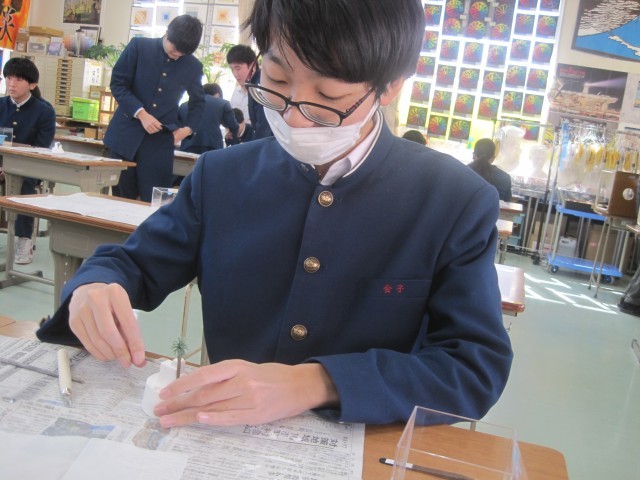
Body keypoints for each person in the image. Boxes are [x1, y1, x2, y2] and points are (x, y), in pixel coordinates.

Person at [38, 0, 512, 428]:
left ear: (390, 86)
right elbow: (134, 263)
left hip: (365, 449)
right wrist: (93, 287)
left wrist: (318, 382)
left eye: (329, 97)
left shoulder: (452, 200)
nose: (295, 117)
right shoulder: (222, 176)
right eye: (278, 81)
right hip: (222, 438)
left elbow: (473, 367)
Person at [104, 14, 205, 202]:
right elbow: (118, 84)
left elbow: (198, 102)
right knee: (121, 200)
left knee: (156, 202)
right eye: (174, 49)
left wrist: (187, 129)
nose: (177, 55)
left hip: (159, 144)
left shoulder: (193, 66)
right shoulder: (139, 47)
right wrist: (141, 113)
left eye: (183, 53)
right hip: (125, 137)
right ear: (167, 34)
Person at [0, 57, 56, 264]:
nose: (12, 84)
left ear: (32, 85)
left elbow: (41, 149)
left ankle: (24, 239)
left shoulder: (44, 111)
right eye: (8, 78)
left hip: (29, 167)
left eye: (18, 79)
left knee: (24, 187)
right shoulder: (1, 105)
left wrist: (10, 168)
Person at [226, 44, 273, 140]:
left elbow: (264, 129)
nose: (235, 74)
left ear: (253, 66)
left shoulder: (260, 87)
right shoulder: (251, 85)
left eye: (238, 68)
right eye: (232, 69)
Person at [178, 83, 239, 154]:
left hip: (187, 146)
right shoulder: (223, 104)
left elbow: (177, 127)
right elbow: (234, 126)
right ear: (217, 94)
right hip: (212, 147)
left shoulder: (183, 106)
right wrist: (230, 139)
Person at [468, 138, 512, 202]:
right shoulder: (505, 178)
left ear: (474, 155)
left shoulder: (464, 172)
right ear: (493, 158)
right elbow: (507, 203)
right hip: (494, 208)